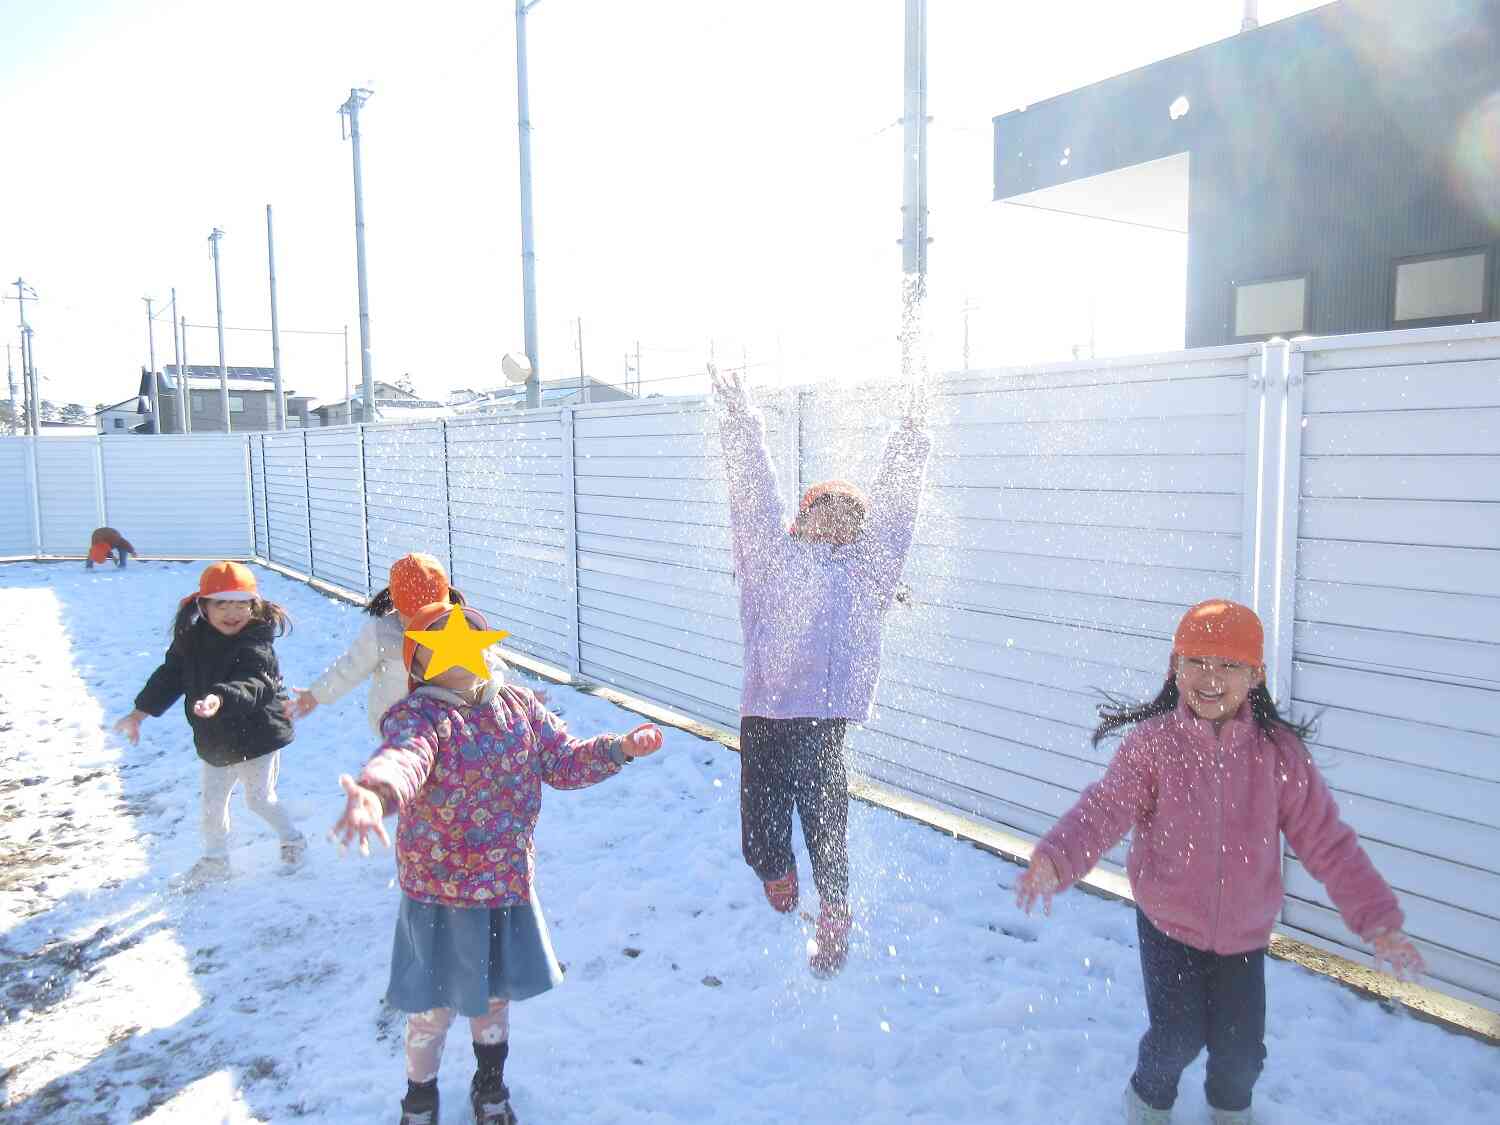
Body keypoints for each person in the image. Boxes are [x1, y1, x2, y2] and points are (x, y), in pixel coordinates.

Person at [1015, 599, 1425, 1125]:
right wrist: (1058, 857)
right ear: (1175, 666)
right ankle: (1147, 1100)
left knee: (1241, 1053)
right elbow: (1105, 808)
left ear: (1255, 675)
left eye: (1229, 665)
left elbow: (1328, 842)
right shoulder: (1154, 745)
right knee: (1176, 1038)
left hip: (1243, 934)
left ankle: (1230, 1111)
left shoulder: (1277, 755)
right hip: (1168, 924)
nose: (1211, 679)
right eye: (1197, 662)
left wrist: (1378, 920)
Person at [333, 600, 666, 1125]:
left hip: (502, 884)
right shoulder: (421, 717)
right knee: (433, 1007)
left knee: (493, 998)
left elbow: (563, 761)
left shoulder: (519, 706)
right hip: (439, 891)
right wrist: (375, 793)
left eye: (468, 633)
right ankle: (419, 1096)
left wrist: (618, 748)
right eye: (442, 639)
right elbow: (406, 757)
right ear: (419, 662)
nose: (459, 644)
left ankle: (490, 1086)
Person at [710, 364, 930, 977]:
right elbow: (753, 496)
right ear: (800, 520)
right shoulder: (770, 558)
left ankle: (834, 911)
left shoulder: (870, 571)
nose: (836, 517)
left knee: (828, 824)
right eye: (822, 508)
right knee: (761, 834)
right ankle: (777, 871)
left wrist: (911, 438)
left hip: (825, 724)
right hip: (766, 719)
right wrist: (740, 421)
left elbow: (896, 514)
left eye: (849, 512)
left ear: (861, 530)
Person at [113, 562, 306, 883]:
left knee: (259, 800)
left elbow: (255, 684)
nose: (232, 613)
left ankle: (293, 840)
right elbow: (168, 678)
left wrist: (220, 698)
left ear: (253, 606)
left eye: (241, 604)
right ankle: (216, 861)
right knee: (211, 806)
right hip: (215, 739)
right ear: (203, 607)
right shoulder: (190, 641)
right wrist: (139, 713)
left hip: (258, 736)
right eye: (222, 604)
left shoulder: (256, 643)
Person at [287, 552, 475, 735]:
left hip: (449, 733)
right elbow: (351, 667)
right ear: (398, 607)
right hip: (399, 732)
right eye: (415, 615)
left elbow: (483, 673)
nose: (424, 623)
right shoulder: (383, 633)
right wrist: (316, 694)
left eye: (432, 614)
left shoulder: (461, 629)